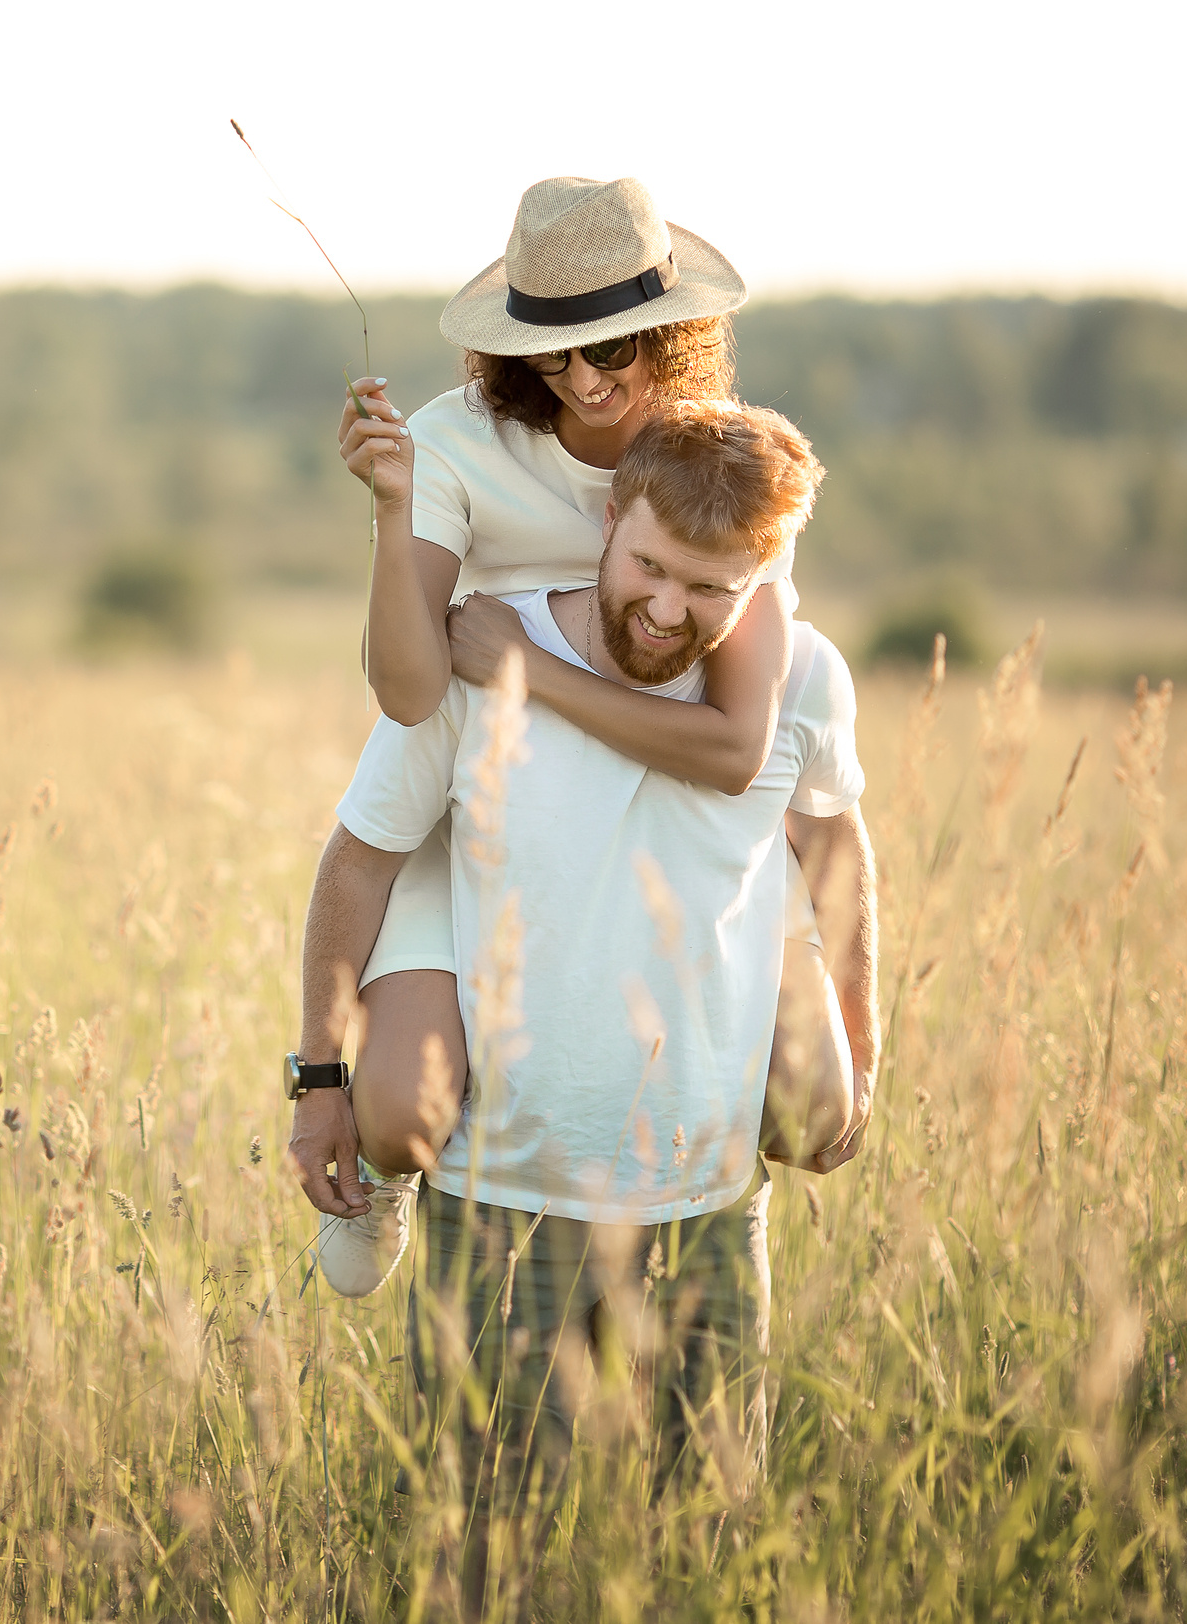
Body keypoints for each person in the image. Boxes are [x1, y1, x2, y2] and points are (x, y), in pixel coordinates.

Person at [285, 400, 879, 1550]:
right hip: (504, 1192)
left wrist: (862, 1031)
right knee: (487, 1552)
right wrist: (319, 1076)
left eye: (711, 588)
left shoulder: (801, 677)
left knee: (705, 1548)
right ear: (606, 518)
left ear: (766, 573)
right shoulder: (475, 652)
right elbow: (357, 863)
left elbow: (836, 840)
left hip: (704, 1203)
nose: (667, 609)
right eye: (649, 566)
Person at [314, 177, 856, 1297]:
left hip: (660, 771)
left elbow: (739, 734)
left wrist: (532, 671)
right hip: (484, 768)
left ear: (673, 330)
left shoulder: (715, 465)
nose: (589, 381)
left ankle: (699, 1203)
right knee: (405, 1109)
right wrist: (391, 512)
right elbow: (413, 691)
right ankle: (398, 1177)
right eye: (556, 354)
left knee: (817, 1113)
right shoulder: (450, 444)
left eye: (614, 347)